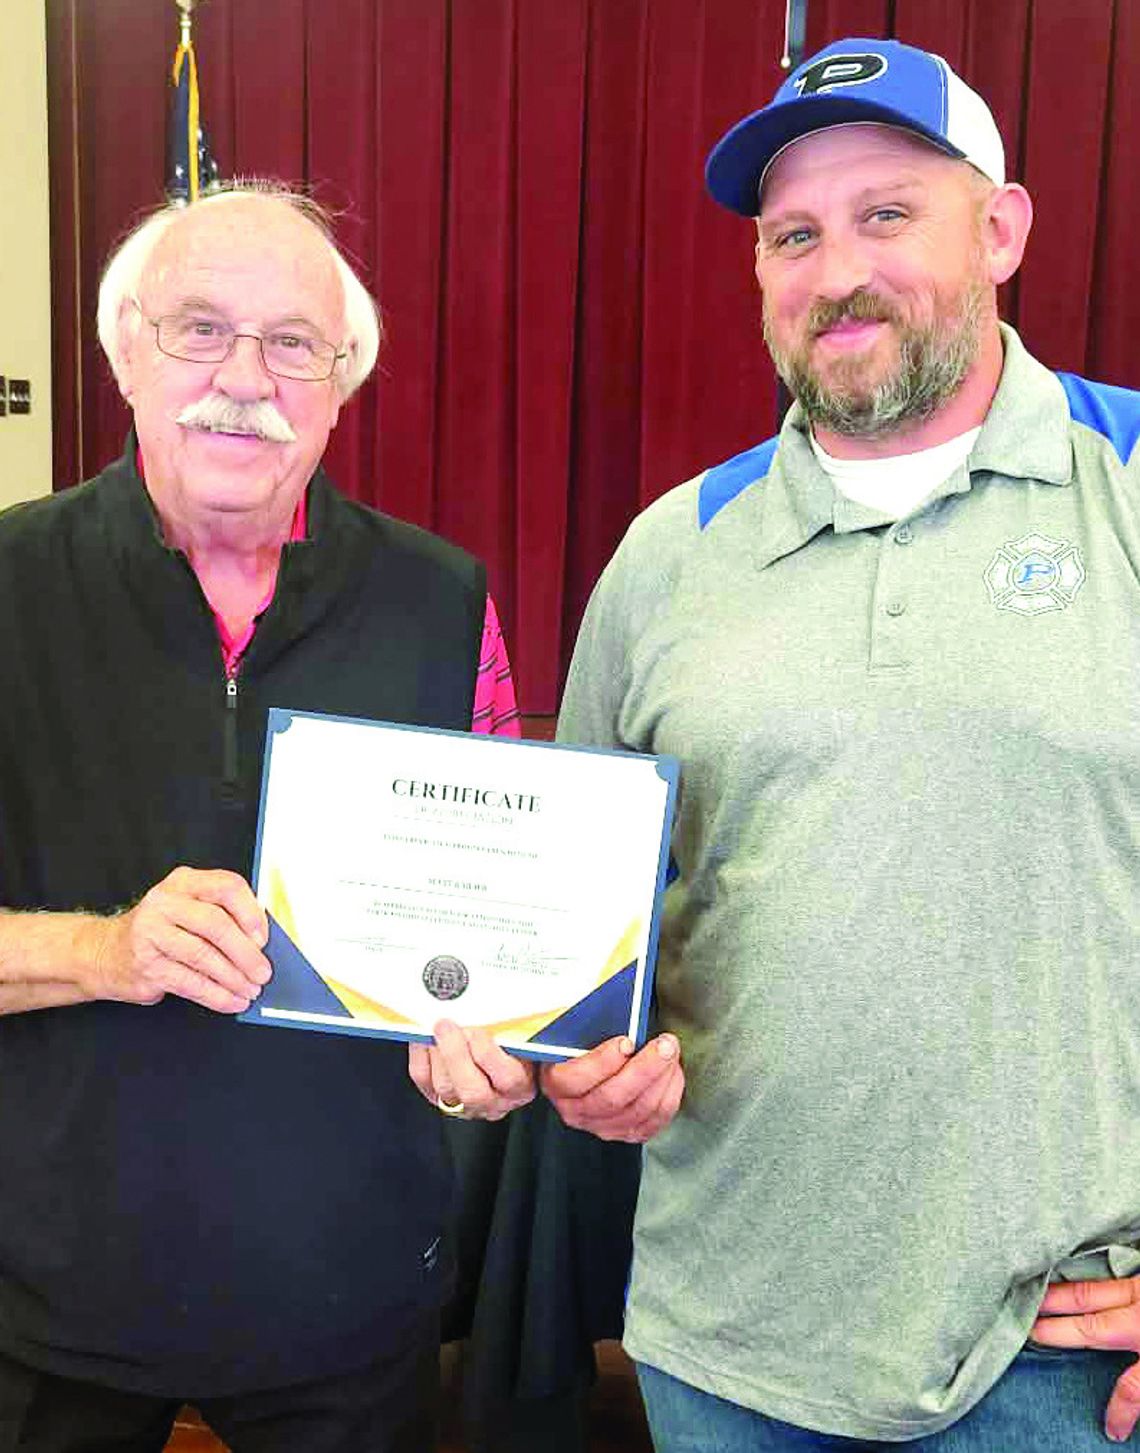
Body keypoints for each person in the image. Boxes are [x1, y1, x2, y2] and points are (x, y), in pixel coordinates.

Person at [542, 35, 1140, 1452]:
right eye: (792, 234)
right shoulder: (670, 553)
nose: (834, 271)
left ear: (1000, 230)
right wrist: (568, 1052)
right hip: (721, 1349)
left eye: (887, 215)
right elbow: (572, 921)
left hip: (1057, 1363)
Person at [0, 182, 535, 1452]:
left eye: (293, 342)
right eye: (200, 329)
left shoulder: (443, 601)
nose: (246, 377)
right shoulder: (7, 587)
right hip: (42, 1287)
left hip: (350, 1295)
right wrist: (103, 949)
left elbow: (502, 930)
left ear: (341, 379)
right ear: (126, 347)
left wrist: (496, 1049)